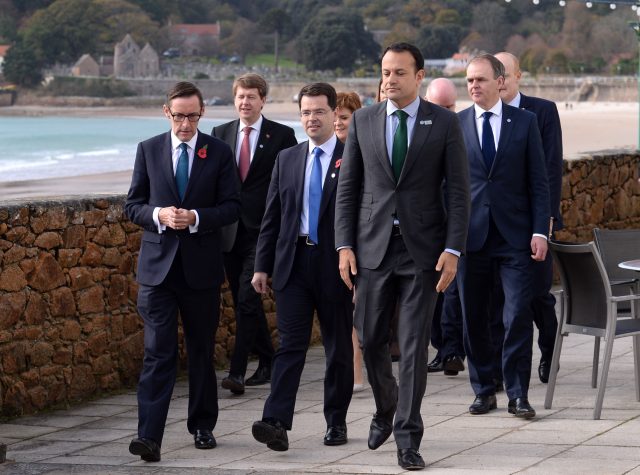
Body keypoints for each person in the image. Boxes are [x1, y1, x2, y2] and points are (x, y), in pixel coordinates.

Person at [335, 43, 470, 471]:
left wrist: (452, 250)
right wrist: (344, 245)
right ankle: (386, 406)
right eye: (385, 72)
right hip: (372, 250)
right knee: (371, 338)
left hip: (423, 252)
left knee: (412, 346)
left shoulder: (444, 122)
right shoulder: (363, 120)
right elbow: (348, 190)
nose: (389, 79)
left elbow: (459, 192)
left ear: (419, 77)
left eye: (398, 72)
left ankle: (408, 438)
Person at [125, 81, 241, 462]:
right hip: (157, 272)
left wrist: (195, 217)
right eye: (179, 116)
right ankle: (149, 436)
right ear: (166, 112)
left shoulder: (219, 153)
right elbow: (133, 206)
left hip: (201, 270)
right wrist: (159, 215)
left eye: (192, 115)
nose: (186, 123)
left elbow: (231, 207)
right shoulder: (148, 149)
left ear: (202, 112)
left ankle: (203, 426)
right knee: (157, 353)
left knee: (201, 351)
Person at [251, 83, 354, 452]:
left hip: (336, 265)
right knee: (290, 345)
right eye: (306, 112)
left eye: (319, 112)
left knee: (338, 347)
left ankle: (336, 421)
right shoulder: (288, 158)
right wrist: (262, 266)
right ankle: (276, 421)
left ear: (332, 114)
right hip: (293, 264)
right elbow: (273, 216)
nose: (312, 118)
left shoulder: (352, 157)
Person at [457, 54, 549, 420]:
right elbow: (448, 185)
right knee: (474, 317)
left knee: (516, 316)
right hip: (470, 238)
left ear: (500, 81)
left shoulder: (525, 122)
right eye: (469, 82)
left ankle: (517, 394)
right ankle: (483, 390)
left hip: (515, 237)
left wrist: (541, 229)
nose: (474, 86)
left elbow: (539, 182)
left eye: (480, 80)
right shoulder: (456, 124)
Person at [212, 73, 297, 395]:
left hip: (265, 231)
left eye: (251, 97)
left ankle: (236, 372)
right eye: (240, 97)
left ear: (263, 100)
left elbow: (291, 185)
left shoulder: (282, 135)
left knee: (248, 297)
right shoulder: (221, 135)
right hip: (230, 232)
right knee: (243, 301)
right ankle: (269, 359)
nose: (245, 102)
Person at [491, 52, 563, 385]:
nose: (501, 79)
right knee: (501, 301)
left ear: (517, 75)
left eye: (505, 72)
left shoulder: (542, 111)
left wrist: (544, 221)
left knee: (537, 296)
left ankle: (550, 349)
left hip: (534, 222)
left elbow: (548, 169)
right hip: (495, 226)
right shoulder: (480, 116)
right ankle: (504, 370)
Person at [422, 78, 466, 377]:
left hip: (457, 227)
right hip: (425, 226)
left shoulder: (460, 129)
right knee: (433, 297)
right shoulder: (416, 130)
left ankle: (452, 350)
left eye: (451, 106)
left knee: (452, 295)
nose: (448, 112)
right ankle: (443, 348)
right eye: (442, 107)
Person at [334, 91, 366, 393]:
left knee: (356, 311)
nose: (337, 123)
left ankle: (357, 373)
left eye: (344, 117)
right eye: (335, 117)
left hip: (361, 240)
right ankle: (349, 373)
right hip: (332, 240)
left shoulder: (364, 151)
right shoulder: (327, 151)